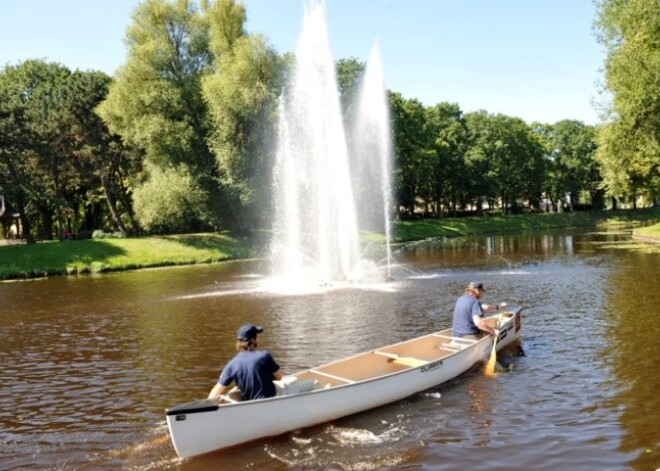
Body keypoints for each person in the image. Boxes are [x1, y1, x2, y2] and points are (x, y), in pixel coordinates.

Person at [208, 324, 283, 401]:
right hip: (269, 402)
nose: (258, 339)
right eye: (257, 336)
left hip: (249, 405)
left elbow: (215, 392)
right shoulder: (265, 355)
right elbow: (279, 377)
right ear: (253, 340)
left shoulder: (232, 363)